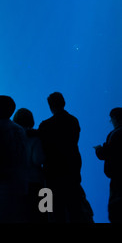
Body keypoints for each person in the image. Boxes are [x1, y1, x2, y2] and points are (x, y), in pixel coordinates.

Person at [38, 92, 93, 223]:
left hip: (52, 173)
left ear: (50, 106)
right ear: (64, 103)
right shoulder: (73, 121)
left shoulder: (45, 125)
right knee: (74, 208)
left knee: (54, 210)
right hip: (72, 170)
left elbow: (43, 145)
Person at [13, 107, 47, 223]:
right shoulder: (35, 138)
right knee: (41, 215)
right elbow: (38, 159)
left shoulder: (13, 138)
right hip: (36, 182)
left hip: (17, 183)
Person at [94, 107, 122, 223]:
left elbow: (107, 153)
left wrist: (99, 150)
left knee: (116, 209)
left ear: (115, 118)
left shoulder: (115, 134)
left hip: (117, 177)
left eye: (112, 119)